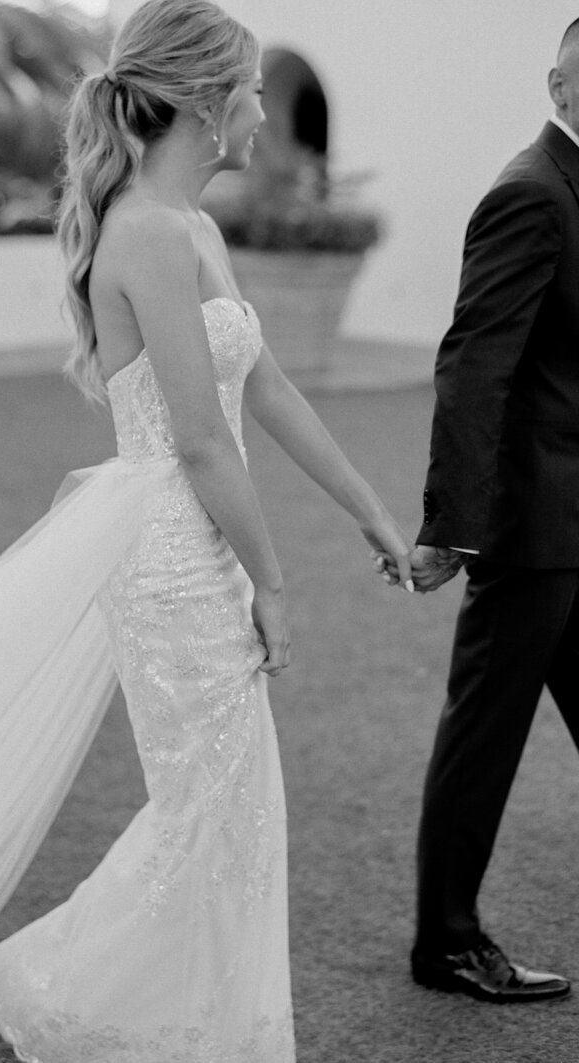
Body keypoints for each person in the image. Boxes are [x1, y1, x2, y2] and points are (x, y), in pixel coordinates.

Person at [0, 1, 412, 1055]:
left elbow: (272, 390)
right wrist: (274, 584)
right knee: (216, 808)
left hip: (197, 539)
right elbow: (201, 443)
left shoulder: (198, 228)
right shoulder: (145, 237)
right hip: (170, 559)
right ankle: (99, 994)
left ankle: (174, 1013)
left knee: (225, 808)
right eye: (253, 90)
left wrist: (370, 513)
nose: (264, 111)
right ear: (208, 107)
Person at [380, 17, 579, 1005]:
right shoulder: (527, 194)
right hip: (533, 526)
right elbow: (473, 369)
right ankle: (444, 941)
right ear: (555, 82)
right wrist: (446, 523)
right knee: (483, 733)